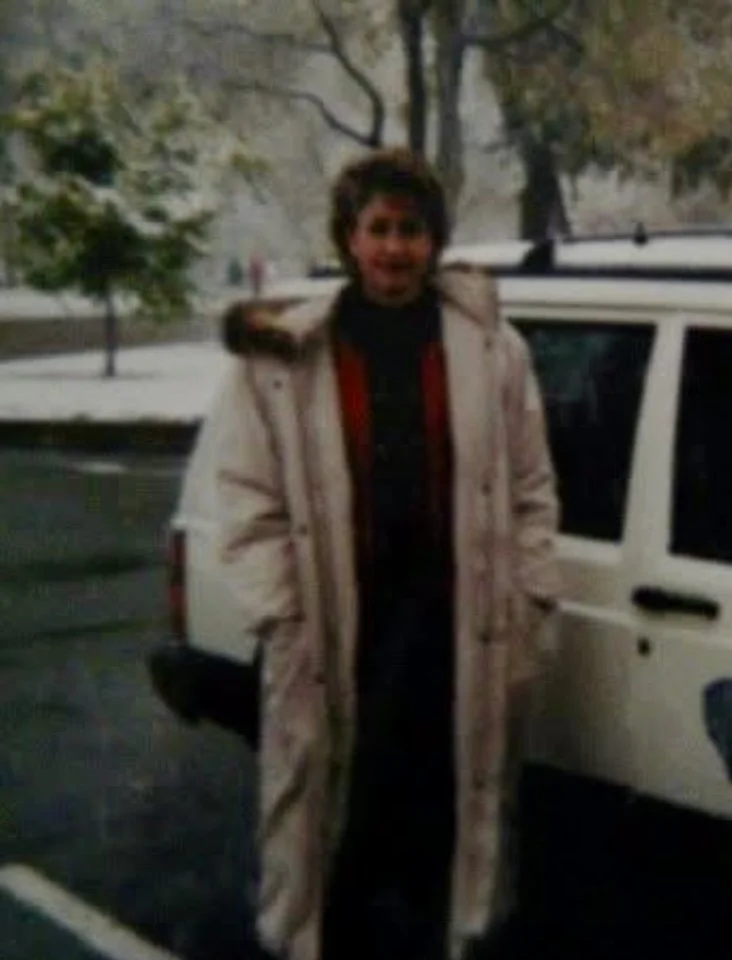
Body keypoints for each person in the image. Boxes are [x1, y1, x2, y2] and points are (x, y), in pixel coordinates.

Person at [210, 146, 561, 960]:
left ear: (434, 240)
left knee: (446, 808)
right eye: (378, 229)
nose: (395, 248)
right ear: (348, 237)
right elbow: (246, 501)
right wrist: (283, 615)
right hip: (339, 626)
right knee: (338, 817)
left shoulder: (492, 350)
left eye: (411, 230)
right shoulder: (284, 364)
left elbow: (532, 486)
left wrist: (528, 594)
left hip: (454, 623)